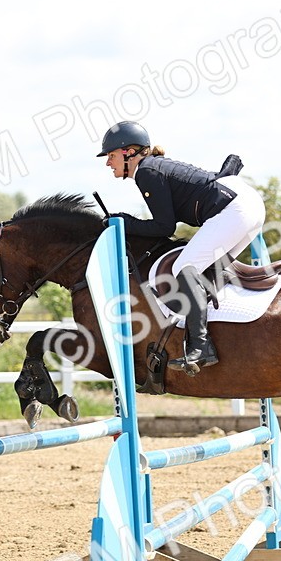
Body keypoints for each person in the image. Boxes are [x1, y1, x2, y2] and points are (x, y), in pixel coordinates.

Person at [97, 120, 265, 374]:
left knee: (185, 267)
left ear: (128, 153)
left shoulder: (146, 172)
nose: (108, 163)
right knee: (204, 269)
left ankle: (200, 345)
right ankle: (220, 335)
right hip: (248, 206)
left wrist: (122, 222)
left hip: (236, 209)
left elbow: (165, 228)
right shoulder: (153, 168)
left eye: (111, 156)